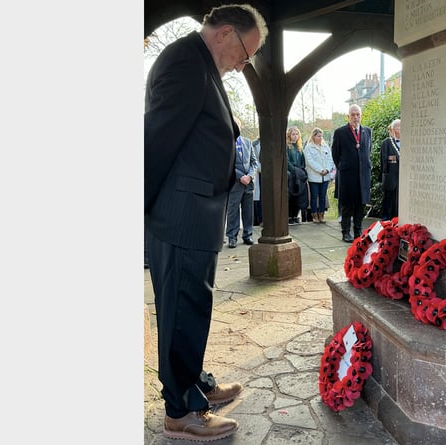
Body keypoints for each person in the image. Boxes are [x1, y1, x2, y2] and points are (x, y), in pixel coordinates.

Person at [144, 4, 268, 442]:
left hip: (196, 214)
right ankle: (180, 411)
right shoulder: (183, 61)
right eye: (245, 53)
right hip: (180, 217)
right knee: (180, 313)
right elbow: (155, 143)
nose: (243, 64)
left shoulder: (199, 63)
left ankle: (194, 381)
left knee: (193, 309)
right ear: (226, 33)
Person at [331, 104, 372, 243]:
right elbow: (335, 154)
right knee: (347, 206)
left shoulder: (367, 131)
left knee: (361, 205)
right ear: (348, 116)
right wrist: (343, 166)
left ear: (361, 116)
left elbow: (368, 151)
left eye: (358, 114)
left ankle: (358, 231)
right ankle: (345, 232)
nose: (355, 117)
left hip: (363, 175)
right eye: (353, 115)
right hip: (347, 175)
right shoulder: (340, 132)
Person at [225, 118, 258, 248]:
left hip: (249, 184)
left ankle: (248, 234)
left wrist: (249, 176)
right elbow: (226, 164)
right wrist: (241, 177)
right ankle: (232, 237)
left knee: (248, 210)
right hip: (235, 183)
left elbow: (254, 162)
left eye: (238, 124)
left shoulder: (248, 142)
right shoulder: (226, 143)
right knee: (233, 210)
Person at [303, 127, 335, 224]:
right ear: (313, 136)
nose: (320, 138)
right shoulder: (308, 148)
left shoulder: (325, 147)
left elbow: (330, 159)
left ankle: (321, 215)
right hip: (314, 176)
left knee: (322, 196)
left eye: (321, 136)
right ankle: (314, 215)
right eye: (318, 136)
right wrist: (320, 170)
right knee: (314, 196)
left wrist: (328, 169)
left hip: (325, 176)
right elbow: (310, 161)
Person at [286, 126, 309, 224]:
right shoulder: (287, 146)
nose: (295, 136)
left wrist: (301, 171)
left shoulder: (300, 147)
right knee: (291, 195)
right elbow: (286, 161)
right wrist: (294, 170)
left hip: (299, 173)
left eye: (296, 134)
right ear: (289, 135)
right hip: (291, 173)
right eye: (293, 134)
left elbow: (303, 161)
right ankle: (289, 216)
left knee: (299, 195)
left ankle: (295, 215)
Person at [380, 118, 401, 221]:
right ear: (393, 129)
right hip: (391, 177)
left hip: (402, 178)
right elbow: (384, 161)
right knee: (389, 200)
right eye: (399, 127)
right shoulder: (386, 143)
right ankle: (386, 220)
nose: (401, 129)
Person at [252, 136, 262, 226]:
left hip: (270, 175)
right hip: (259, 174)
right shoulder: (254, 144)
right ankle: (259, 219)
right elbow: (254, 160)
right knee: (259, 198)